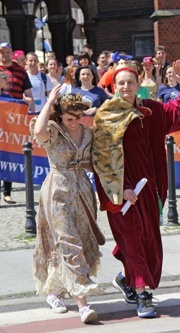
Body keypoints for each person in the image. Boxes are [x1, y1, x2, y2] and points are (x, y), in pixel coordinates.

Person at [91, 60, 180, 319]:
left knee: (148, 239)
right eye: (121, 83)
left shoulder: (151, 109)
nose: (126, 87)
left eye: (131, 82)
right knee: (134, 238)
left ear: (138, 84)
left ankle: (128, 279)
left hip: (148, 188)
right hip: (121, 192)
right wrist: (122, 188)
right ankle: (142, 295)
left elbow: (178, 113)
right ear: (114, 87)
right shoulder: (107, 115)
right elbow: (102, 159)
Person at [30, 85, 104, 324]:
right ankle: (83, 303)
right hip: (57, 191)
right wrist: (50, 101)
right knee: (67, 241)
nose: (75, 122)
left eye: (79, 117)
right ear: (61, 115)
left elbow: (94, 162)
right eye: (70, 118)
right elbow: (39, 131)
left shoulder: (88, 133)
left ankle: (54, 292)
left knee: (79, 239)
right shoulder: (53, 130)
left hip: (82, 191)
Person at [1, 42, 34, 204]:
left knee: (8, 153)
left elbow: (28, 93)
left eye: (7, 52)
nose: (4, 54)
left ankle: (7, 191)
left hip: (13, 118)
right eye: (2, 52)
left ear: (11, 53)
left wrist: (29, 103)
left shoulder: (20, 71)